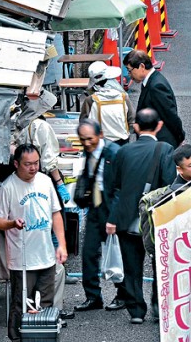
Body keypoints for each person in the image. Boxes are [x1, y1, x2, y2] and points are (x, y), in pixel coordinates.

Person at [103, 108, 176, 323]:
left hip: (127, 216)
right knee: (159, 263)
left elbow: (114, 187)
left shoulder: (124, 152)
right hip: (156, 218)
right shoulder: (165, 150)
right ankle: (157, 305)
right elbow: (170, 185)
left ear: (135, 127)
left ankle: (136, 310)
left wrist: (113, 218)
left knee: (132, 265)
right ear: (159, 125)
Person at [0, 145, 68, 341]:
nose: (33, 168)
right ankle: (18, 338)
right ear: (17, 164)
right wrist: (12, 223)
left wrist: (61, 244)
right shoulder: (7, 187)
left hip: (46, 255)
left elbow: (55, 213)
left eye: (36, 163)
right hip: (22, 259)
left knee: (45, 304)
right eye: (28, 164)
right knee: (22, 304)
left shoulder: (45, 181)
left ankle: (41, 337)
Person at [73, 120, 121, 312]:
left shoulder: (114, 152)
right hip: (95, 207)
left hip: (111, 208)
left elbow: (120, 187)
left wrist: (115, 218)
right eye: (83, 139)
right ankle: (93, 297)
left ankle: (123, 294)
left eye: (90, 139)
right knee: (89, 254)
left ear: (100, 135)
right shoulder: (89, 150)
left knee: (118, 254)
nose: (86, 143)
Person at [125, 50, 184, 148]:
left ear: (142, 67)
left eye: (130, 70)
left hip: (161, 143)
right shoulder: (152, 81)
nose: (129, 75)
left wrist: (180, 137)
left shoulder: (156, 86)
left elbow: (170, 115)